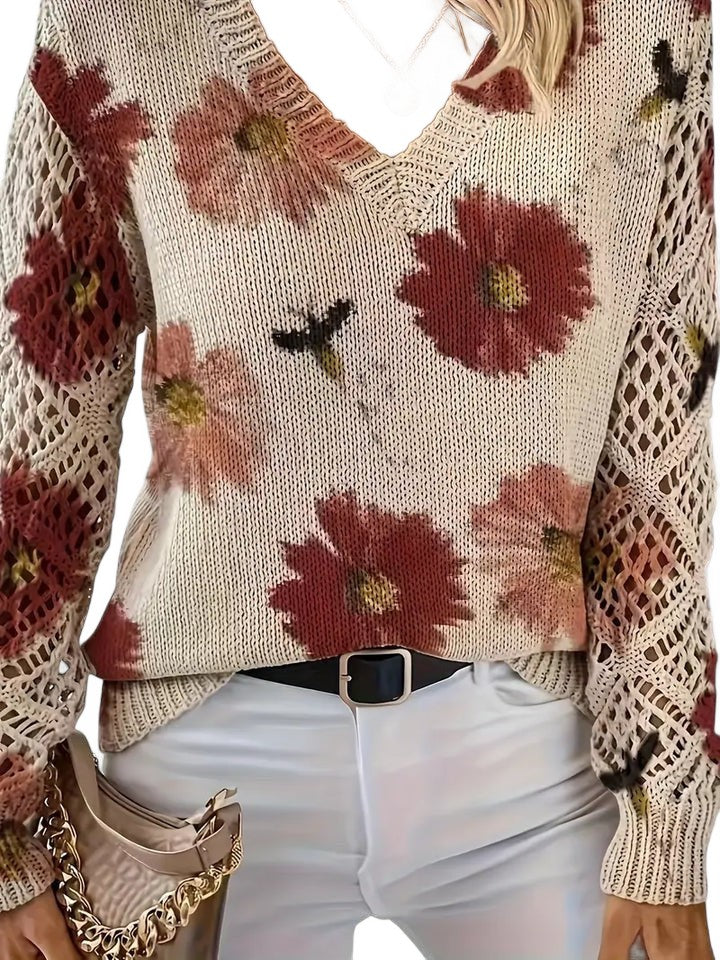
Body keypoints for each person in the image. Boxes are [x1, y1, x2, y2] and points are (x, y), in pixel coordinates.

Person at [0, 0, 718, 957]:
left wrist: (666, 817)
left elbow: (656, 456)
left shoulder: (641, 26)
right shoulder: (121, 25)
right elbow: (36, 439)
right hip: (196, 784)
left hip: (533, 766)